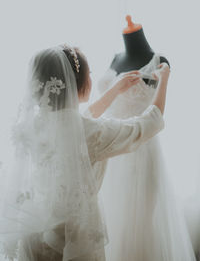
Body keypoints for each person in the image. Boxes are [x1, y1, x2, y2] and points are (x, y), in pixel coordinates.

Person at [0, 44, 169, 261]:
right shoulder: (86, 132)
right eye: (88, 74)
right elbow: (147, 124)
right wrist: (164, 79)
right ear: (74, 82)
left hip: (36, 231)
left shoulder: (34, 124)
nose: (90, 77)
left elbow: (81, 124)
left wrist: (115, 90)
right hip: (75, 237)